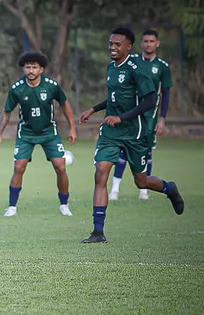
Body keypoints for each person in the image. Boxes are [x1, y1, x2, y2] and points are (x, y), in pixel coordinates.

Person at [78, 28, 184, 243]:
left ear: (128, 47)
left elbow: (149, 101)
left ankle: (169, 188)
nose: (113, 48)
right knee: (100, 173)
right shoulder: (111, 68)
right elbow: (115, 97)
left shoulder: (138, 70)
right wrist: (94, 109)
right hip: (110, 132)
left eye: (117, 44)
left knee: (141, 181)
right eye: (110, 44)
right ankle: (98, 231)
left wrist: (122, 118)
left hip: (134, 133)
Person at [0, 52, 77, 217]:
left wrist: (72, 128)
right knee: (19, 167)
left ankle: (64, 205)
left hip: (49, 132)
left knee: (60, 167)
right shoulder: (17, 89)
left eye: (34, 67)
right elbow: (7, 112)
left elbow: (64, 104)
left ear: (41, 69)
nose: (31, 70)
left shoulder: (51, 85)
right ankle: (12, 207)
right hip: (26, 133)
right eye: (28, 67)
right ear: (23, 69)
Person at [109, 28, 173, 201]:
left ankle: (144, 190)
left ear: (157, 43)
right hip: (130, 114)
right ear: (141, 43)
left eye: (152, 41)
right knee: (123, 149)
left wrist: (162, 118)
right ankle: (115, 189)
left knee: (147, 150)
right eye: (146, 41)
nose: (148, 44)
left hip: (150, 116)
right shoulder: (133, 62)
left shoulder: (162, 67)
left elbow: (165, 93)